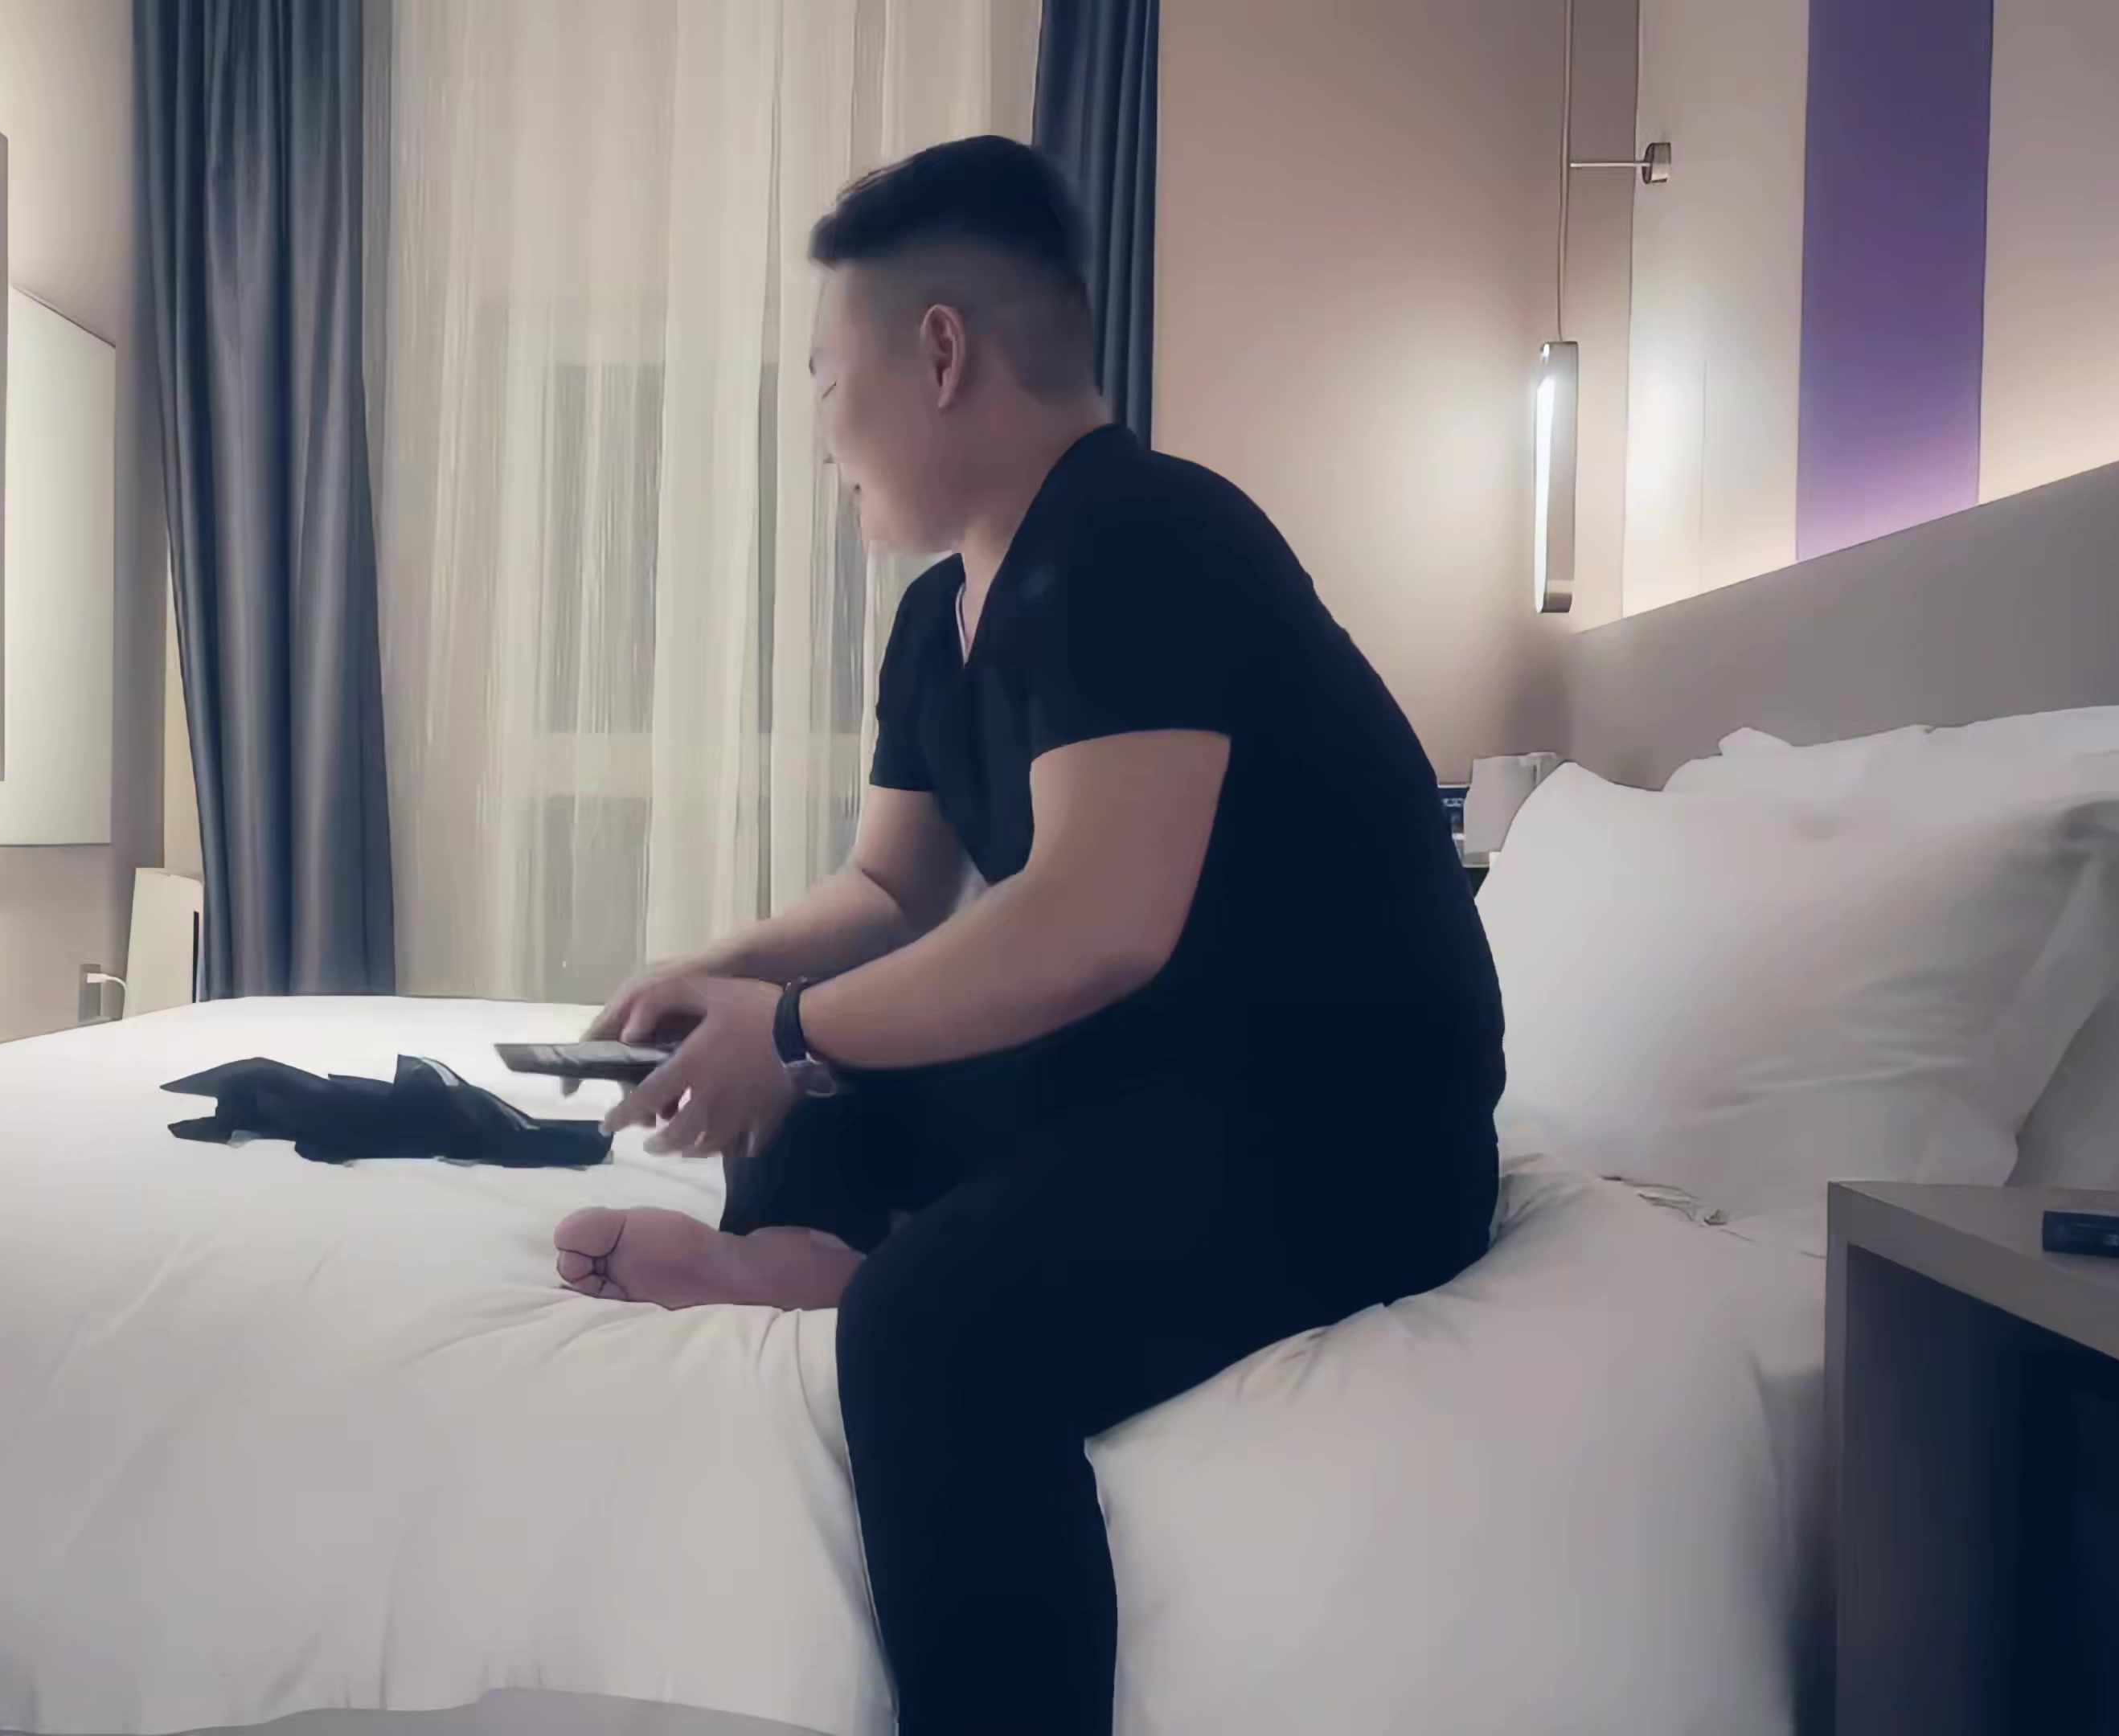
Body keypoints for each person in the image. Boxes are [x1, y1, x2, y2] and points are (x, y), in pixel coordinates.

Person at [547, 136, 1505, 1734]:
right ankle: (801, 1263)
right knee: (830, 1088)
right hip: (1157, 1071)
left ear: (939, 355)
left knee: (937, 1331)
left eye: (825, 380)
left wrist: (790, 1034)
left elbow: (1095, 923)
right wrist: (725, 977)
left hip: (1345, 1126)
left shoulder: (1147, 538)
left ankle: (865, 1290)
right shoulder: (940, 618)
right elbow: (888, 895)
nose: (820, 432)